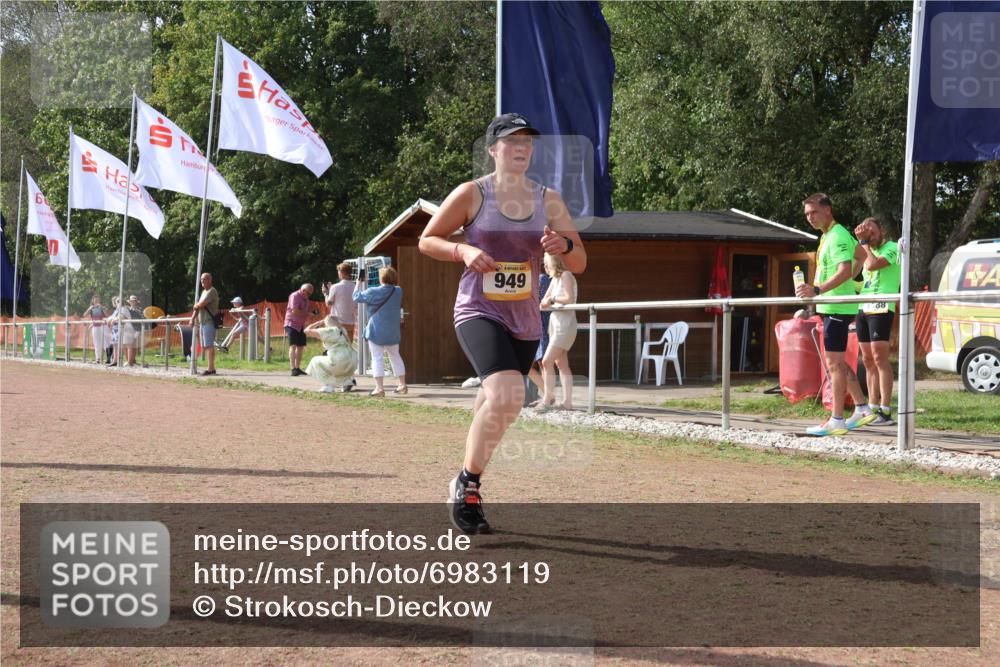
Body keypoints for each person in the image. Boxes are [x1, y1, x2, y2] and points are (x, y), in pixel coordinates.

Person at [418, 112, 586, 534]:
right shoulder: (473, 194)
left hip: (525, 319)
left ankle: (462, 476)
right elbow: (427, 240)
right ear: (493, 149)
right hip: (478, 309)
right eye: (512, 141)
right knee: (511, 392)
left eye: (527, 142)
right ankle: (469, 488)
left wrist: (562, 244)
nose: (521, 148)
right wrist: (463, 252)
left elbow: (580, 261)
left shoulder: (548, 199)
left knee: (498, 405)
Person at [796, 193, 872, 435]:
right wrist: (847, 281)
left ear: (827, 210)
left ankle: (837, 419)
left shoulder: (837, 234)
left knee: (833, 365)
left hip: (837, 307)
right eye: (807, 214)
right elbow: (860, 255)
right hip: (832, 306)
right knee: (837, 363)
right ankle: (862, 407)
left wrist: (818, 289)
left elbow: (845, 268)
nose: (810, 217)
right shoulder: (831, 235)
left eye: (814, 212)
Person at [854, 217, 900, 426]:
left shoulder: (892, 247)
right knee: (867, 360)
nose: (868, 236)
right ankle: (871, 408)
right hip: (864, 306)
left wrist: (864, 244)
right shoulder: (865, 250)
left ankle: (886, 410)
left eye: (871, 232)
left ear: (881, 231)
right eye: (865, 232)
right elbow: (859, 276)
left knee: (880, 359)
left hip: (881, 306)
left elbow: (873, 266)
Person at [353, 266, 407, 397]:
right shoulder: (398, 291)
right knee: (395, 356)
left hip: (376, 330)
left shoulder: (372, 291)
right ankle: (402, 385)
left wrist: (358, 283)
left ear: (381, 278)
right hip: (393, 331)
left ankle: (379, 388)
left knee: (377, 358)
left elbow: (356, 297)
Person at [539, 253, 578, 410]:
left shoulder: (566, 275)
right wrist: (547, 301)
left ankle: (548, 398)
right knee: (561, 363)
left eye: (547, 264)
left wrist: (552, 300)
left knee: (546, 361)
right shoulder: (554, 279)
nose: (546, 267)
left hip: (565, 323)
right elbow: (544, 300)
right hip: (555, 322)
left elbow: (569, 298)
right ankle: (567, 402)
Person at [304, 315, 358, 393]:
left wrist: (318, 323)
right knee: (338, 365)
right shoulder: (342, 330)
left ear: (327, 323)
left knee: (315, 361)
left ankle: (328, 385)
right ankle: (347, 382)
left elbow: (306, 331)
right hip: (353, 359)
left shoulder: (329, 330)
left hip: (340, 359)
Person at [189, 272, 219, 376]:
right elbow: (197, 307)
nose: (202, 281)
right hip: (202, 322)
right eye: (201, 279)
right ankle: (212, 368)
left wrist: (196, 305)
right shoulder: (203, 292)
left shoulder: (212, 291)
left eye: (204, 279)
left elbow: (200, 305)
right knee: (206, 346)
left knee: (209, 346)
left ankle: (210, 369)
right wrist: (192, 318)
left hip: (209, 322)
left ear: (210, 280)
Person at [323, 263, 358, 342]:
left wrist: (325, 293)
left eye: (338, 271)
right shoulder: (355, 286)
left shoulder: (335, 287)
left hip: (337, 321)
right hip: (351, 322)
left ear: (342, 273)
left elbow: (328, 304)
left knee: (336, 345)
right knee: (349, 345)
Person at [285, 283, 314, 376]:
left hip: (301, 325)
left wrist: (311, 314)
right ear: (303, 290)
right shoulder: (295, 296)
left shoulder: (306, 299)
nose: (309, 295)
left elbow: (304, 312)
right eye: (309, 293)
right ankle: (293, 369)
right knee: (293, 345)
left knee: (300, 346)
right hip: (291, 324)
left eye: (310, 294)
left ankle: (297, 368)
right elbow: (295, 311)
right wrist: (309, 314)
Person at [107, 295, 138, 366]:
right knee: (117, 345)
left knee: (128, 345)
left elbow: (122, 316)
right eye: (117, 301)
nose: (118, 303)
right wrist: (109, 319)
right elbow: (112, 317)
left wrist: (113, 320)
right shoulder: (117, 310)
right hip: (119, 329)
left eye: (120, 301)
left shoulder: (123, 308)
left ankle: (130, 363)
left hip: (128, 328)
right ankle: (115, 361)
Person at [82, 295, 109, 363]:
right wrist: (89, 309)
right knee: (96, 343)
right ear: (93, 301)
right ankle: (98, 359)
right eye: (95, 300)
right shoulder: (91, 308)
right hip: (95, 326)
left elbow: (107, 315)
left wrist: (102, 307)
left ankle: (109, 358)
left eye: (98, 300)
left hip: (103, 326)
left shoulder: (102, 307)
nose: (96, 301)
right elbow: (84, 315)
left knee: (106, 343)